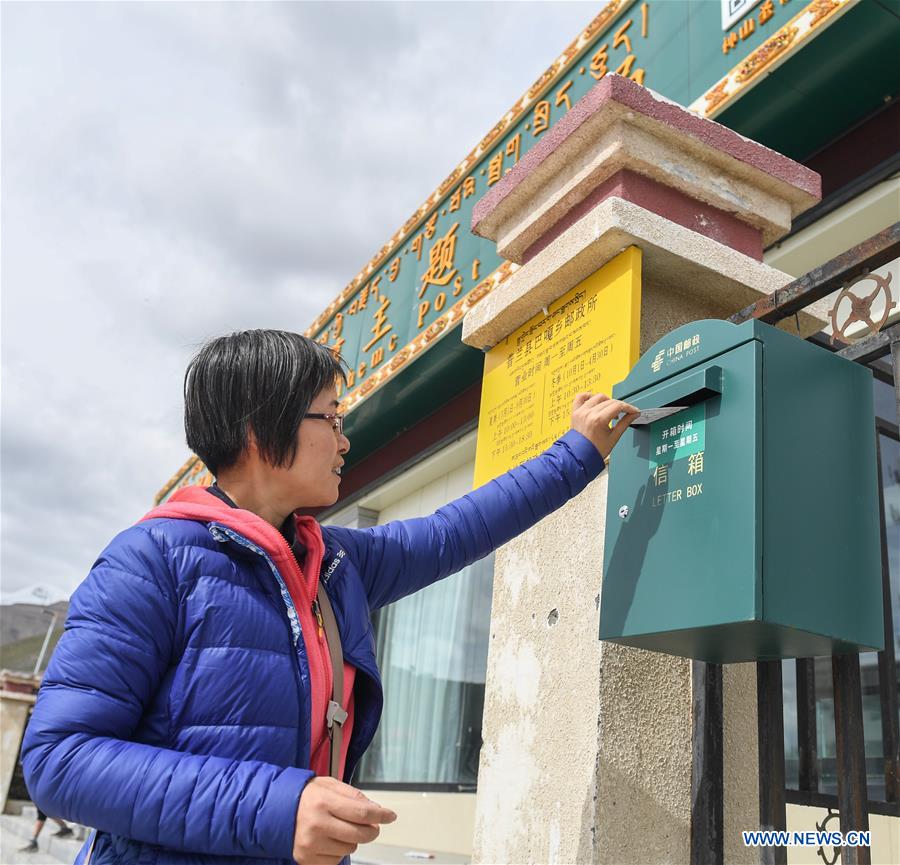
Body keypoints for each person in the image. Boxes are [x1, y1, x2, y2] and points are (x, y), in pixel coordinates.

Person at [21, 329, 638, 865]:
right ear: (260, 429)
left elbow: (456, 530)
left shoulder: (337, 562)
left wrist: (577, 453)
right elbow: (60, 758)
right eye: (331, 420)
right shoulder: (150, 562)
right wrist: (279, 809)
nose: (346, 441)